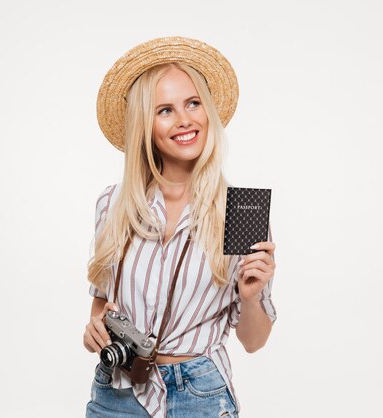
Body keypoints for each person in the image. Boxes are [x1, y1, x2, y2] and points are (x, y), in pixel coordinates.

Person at [82, 37, 277, 418]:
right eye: (165, 110)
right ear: (145, 125)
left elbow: (253, 342)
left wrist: (251, 295)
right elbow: (100, 308)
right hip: (118, 389)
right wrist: (94, 330)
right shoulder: (113, 204)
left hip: (199, 393)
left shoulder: (239, 210)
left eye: (193, 103)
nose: (185, 119)